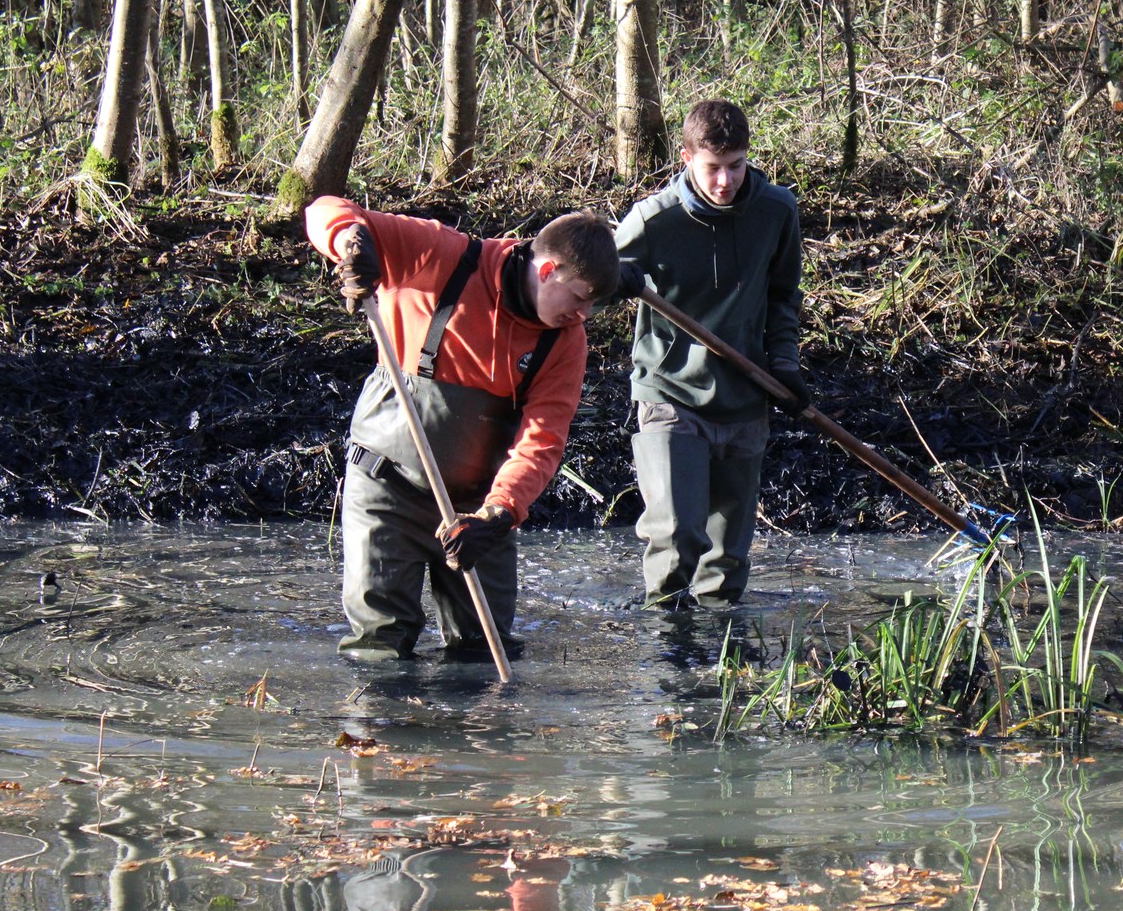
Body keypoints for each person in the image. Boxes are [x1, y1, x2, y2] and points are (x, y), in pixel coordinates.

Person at [307, 198, 620, 661]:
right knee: (380, 646)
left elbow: (542, 440)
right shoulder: (444, 256)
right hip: (386, 488)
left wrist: (498, 514)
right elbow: (323, 210)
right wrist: (349, 243)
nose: (582, 316)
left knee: (483, 651)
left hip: (476, 509)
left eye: (591, 307)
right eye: (579, 300)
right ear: (549, 269)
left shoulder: (565, 340)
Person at [616, 99, 807, 609]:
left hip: (748, 394)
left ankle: (723, 671)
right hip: (670, 391)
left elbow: (784, 295)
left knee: (727, 559)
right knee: (677, 536)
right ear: (686, 159)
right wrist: (617, 280)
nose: (725, 181)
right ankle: (668, 658)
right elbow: (585, 285)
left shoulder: (776, 211)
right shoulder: (653, 220)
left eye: (736, 166)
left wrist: (784, 362)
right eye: (713, 168)